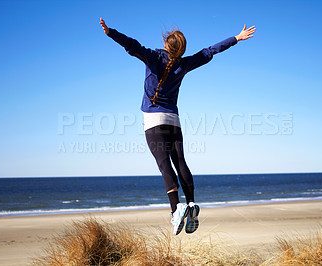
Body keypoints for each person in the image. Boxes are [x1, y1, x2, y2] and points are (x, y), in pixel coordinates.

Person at [100, 18, 256, 235]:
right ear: (181, 48)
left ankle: (176, 210)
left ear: (166, 44)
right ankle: (191, 203)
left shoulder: (154, 57)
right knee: (180, 160)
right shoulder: (184, 63)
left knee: (164, 164)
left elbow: (132, 45)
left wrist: (111, 33)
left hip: (154, 120)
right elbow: (210, 51)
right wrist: (236, 38)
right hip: (174, 119)